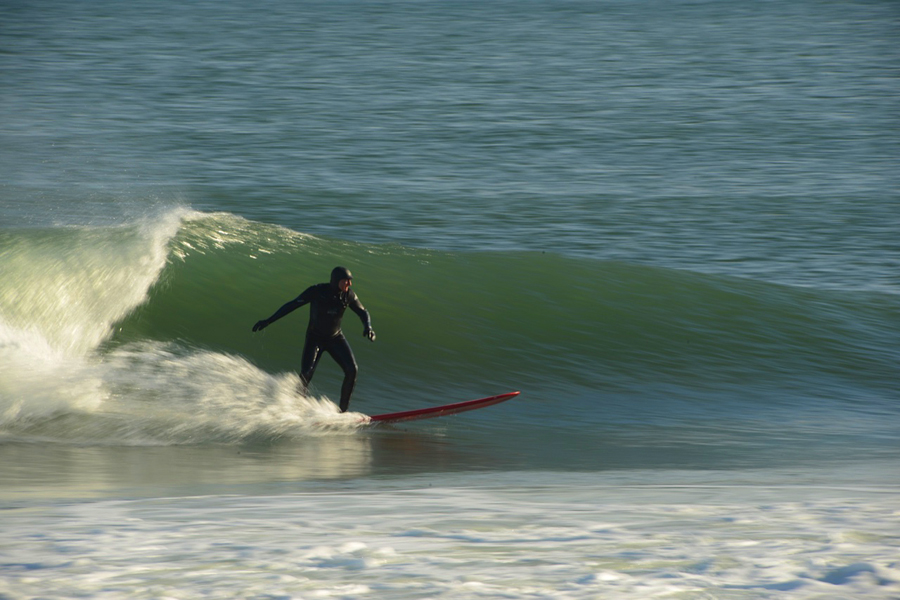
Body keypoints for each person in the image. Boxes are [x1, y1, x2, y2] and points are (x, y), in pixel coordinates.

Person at [252, 266, 375, 412]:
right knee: (306, 373)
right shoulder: (317, 291)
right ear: (336, 281)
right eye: (346, 281)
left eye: (350, 281)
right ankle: (296, 408)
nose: (350, 284)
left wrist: (368, 326)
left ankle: (342, 413)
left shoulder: (348, 295)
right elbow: (292, 305)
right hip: (315, 338)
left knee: (352, 370)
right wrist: (268, 320)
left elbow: (363, 311)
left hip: (335, 338)